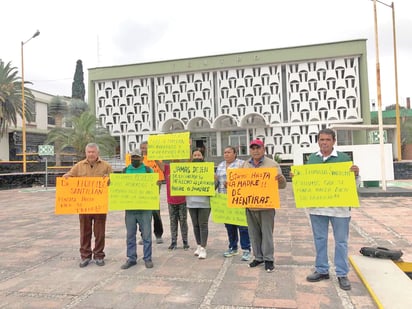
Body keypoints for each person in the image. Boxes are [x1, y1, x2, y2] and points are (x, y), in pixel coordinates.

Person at [303, 128, 360, 291]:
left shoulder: (343, 159)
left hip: (340, 210)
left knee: (341, 241)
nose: (324, 142)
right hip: (318, 209)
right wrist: (298, 178)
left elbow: (353, 187)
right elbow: (307, 183)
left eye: (327, 139)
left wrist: (356, 175)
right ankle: (322, 270)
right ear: (317, 141)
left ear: (334, 141)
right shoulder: (312, 159)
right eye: (321, 139)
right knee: (319, 240)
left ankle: (342, 273)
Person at [63, 143, 113, 268]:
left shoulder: (106, 166)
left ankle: (99, 255)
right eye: (89, 152)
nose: (91, 154)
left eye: (93, 152)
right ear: (86, 153)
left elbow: (114, 182)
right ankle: (85, 256)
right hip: (84, 205)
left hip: (99, 205)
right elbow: (70, 176)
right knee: (85, 231)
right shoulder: (78, 166)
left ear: (98, 153)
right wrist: (66, 178)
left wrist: (109, 180)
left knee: (99, 232)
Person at [242, 139, 287, 272]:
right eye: (253, 148)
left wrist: (281, 179)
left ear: (264, 149)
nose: (255, 151)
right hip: (250, 206)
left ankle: (268, 259)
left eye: (258, 148)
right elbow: (241, 182)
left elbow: (283, 185)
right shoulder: (245, 164)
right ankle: (258, 257)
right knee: (253, 233)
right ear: (250, 150)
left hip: (266, 206)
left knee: (267, 233)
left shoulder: (272, 165)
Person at [215, 146, 251, 261]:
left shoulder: (242, 164)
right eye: (225, 152)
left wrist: (233, 184)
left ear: (235, 154)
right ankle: (233, 247)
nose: (226, 154)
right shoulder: (220, 165)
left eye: (229, 152)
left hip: (238, 199)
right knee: (229, 226)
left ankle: (246, 249)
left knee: (242, 226)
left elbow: (246, 180)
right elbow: (217, 181)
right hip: (224, 199)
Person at [120, 148, 154, 269]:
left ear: (142, 158)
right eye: (133, 157)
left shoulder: (148, 170)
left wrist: (157, 184)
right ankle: (131, 258)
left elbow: (154, 187)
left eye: (137, 157)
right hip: (130, 209)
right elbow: (120, 188)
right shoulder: (125, 171)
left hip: (145, 209)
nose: (135, 159)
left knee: (147, 235)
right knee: (130, 235)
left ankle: (148, 258)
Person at [187, 149, 211, 259]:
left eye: (199, 155)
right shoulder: (186, 170)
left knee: (203, 225)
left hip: (204, 202)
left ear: (202, 157)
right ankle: (198, 245)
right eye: (195, 155)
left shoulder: (208, 168)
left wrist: (214, 179)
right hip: (191, 202)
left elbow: (213, 185)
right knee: (195, 225)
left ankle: (203, 248)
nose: (197, 156)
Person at [140, 140, 164, 244]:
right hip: (141, 188)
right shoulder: (138, 160)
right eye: (142, 148)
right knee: (142, 212)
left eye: (145, 148)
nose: (143, 150)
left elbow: (161, 170)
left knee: (155, 211)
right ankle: (143, 235)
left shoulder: (156, 158)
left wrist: (159, 181)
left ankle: (158, 234)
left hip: (154, 186)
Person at [164, 161, 190, 250]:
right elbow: (156, 160)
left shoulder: (183, 167)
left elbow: (190, 161)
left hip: (182, 200)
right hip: (171, 201)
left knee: (183, 221)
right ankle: (173, 241)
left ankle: (185, 241)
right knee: (173, 221)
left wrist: (189, 148)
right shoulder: (167, 168)